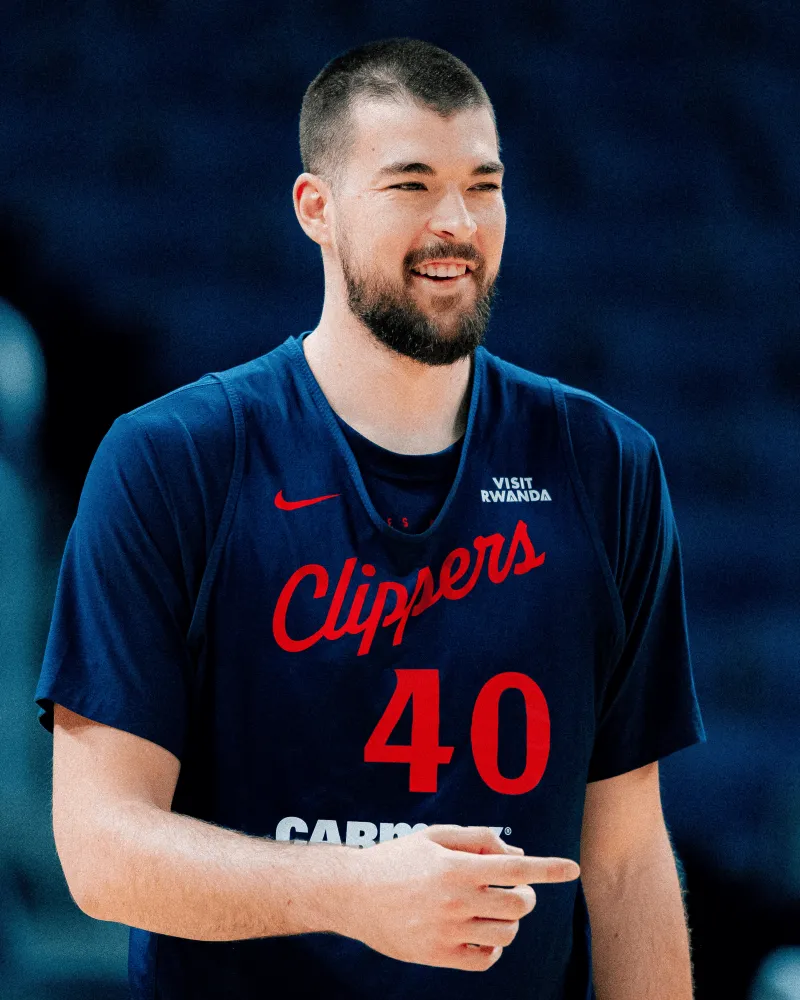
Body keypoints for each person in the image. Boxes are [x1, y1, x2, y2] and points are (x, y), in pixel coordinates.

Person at [36, 37, 706, 999]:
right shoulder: (172, 460)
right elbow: (101, 851)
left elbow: (630, 859)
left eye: (484, 183)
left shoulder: (606, 466)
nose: (456, 222)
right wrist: (356, 891)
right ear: (317, 208)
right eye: (411, 184)